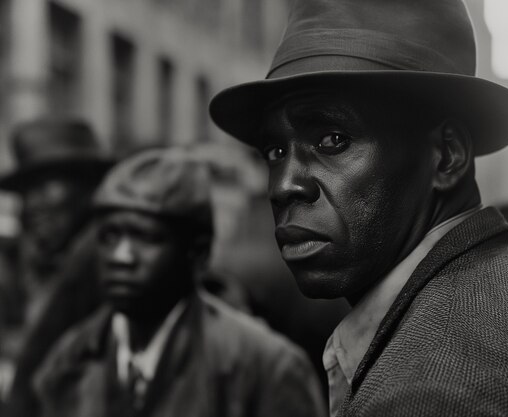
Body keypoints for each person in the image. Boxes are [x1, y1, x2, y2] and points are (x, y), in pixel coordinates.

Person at [210, 0, 508, 415]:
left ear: (446, 156)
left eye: (332, 140)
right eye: (275, 150)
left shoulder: (428, 391)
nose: (283, 185)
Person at [33, 149, 325, 417]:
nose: (121, 257)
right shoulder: (68, 361)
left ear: (197, 253)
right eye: (110, 237)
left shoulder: (264, 367)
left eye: (145, 238)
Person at [0, 118, 112, 414]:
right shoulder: (37, 264)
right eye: (25, 191)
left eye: (44, 185)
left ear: (88, 185)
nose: (32, 203)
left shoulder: (111, 264)